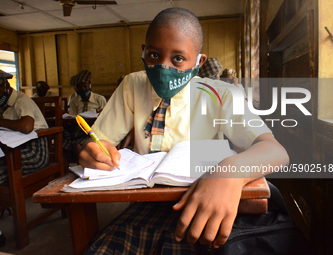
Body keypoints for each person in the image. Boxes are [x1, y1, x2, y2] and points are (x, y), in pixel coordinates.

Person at [80, 8, 289, 254]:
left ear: (199, 62)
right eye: (154, 55)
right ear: (143, 51)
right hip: (146, 205)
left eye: (178, 58)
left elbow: (275, 151)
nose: (162, 67)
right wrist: (91, 148)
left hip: (204, 198)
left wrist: (228, 172)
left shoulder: (220, 94)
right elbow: (98, 140)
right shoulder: (132, 85)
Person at [0, 70, 49, 184]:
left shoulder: (21, 100)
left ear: (6, 86)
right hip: (13, 149)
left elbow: (26, 126)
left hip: (34, 151)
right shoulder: (3, 104)